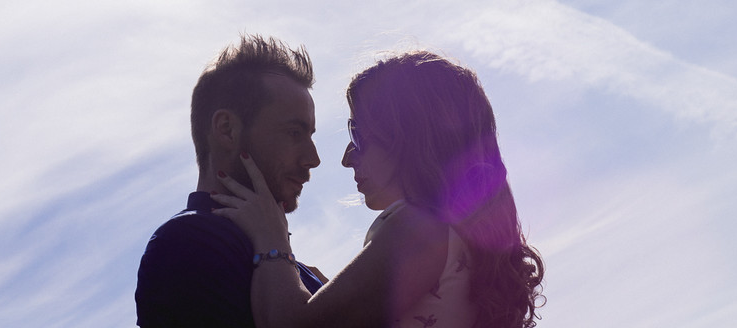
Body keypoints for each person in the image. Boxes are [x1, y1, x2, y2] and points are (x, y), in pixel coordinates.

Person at [214, 50, 545, 328]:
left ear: (410, 139)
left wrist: (273, 243)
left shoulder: (417, 228)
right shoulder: (459, 240)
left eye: (358, 134)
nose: (347, 158)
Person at [135, 35, 324, 328]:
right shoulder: (189, 241)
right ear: (227, 130)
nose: (313, 158)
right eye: (294, 133)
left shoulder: (283, 264)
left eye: (311, 135)